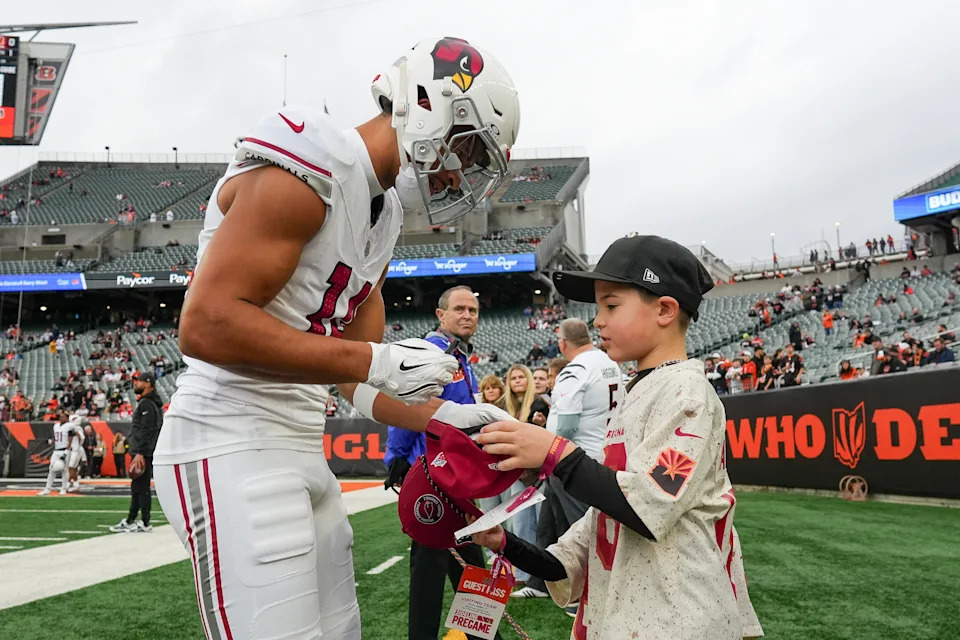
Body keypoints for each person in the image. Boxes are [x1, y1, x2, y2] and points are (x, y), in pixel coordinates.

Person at [151, 37, 519, 640]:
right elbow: (206, 323)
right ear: (429, 107)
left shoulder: (384, 214)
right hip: (228, 437)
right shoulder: (312, 160)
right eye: (468, 149)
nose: (461, 174)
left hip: (301, 443)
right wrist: (375, 360)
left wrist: (444, 418)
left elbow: (353, 379)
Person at [473, 234, 762, 639]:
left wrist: (555, 452)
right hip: (634, 613)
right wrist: (505, 542)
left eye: (611, 305)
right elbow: (582, 546)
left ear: (665, 310)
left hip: (678, 618)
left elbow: (648, 506)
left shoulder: (687, 392)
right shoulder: (637, 390)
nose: (598, 321)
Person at [383, 286, 501, 640]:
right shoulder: (432, 351)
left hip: (456, 478)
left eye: (473, 310)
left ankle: (484, 635)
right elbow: (407, 405)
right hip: (433, 478)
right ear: (441, 314)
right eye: (459, 309)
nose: (467, 315)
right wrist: (396, 457)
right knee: (432, 569)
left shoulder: (458, 355)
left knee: (465, 562)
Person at [519, 318, 623, 606]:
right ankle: (540, 581)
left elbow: (565, 425)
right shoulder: (608, 362)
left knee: (579, 527)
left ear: (563, 343)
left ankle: (591, 595)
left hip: (573, 461)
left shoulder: (576, 369)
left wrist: (548, 455)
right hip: (598, 453)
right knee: (548, 524)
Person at [110, 373, 164, 533]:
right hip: (143, 450)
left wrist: (140, 452)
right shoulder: (149, 403)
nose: (136, 384)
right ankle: (132, 519)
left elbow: (147, 429)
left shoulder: (147, 404)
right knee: (138, 487)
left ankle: (144, 522)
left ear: (148, 383)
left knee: (141, 487)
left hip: (143, 452)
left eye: (139, 381)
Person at [38, 411, 79, 496]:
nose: (61, 418)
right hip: (56, 450)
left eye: (63, 417)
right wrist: (50, 441)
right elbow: (57, 438)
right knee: (51, 469)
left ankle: (63, 489)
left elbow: (70, 439)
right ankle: (47, 489)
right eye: (60, 416)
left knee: (64, 470)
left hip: (64, 450)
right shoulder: (56, 426)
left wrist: (67, 451)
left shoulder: (70, 426)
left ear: (67, 418)